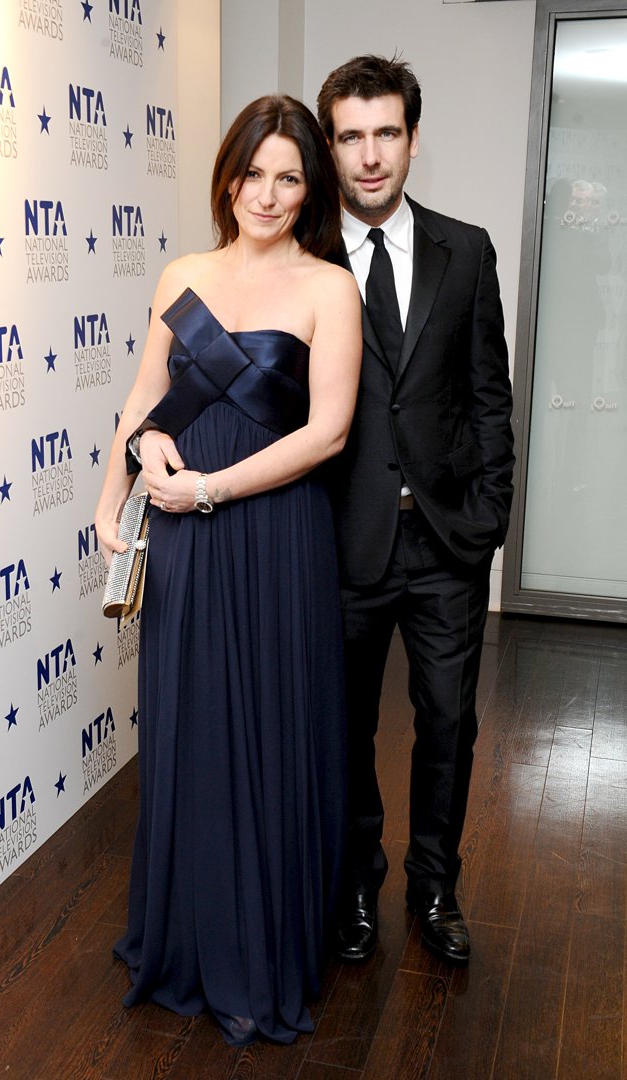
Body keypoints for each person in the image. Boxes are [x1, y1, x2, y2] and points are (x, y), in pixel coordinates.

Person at [94, 94, 361, 1046]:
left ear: (309, 188)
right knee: (190, 727)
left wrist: (208, 490)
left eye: (290, 177)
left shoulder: (329, 285)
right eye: (255, 173)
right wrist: (109, 498)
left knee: (270, 723)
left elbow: (327, 434)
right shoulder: (183, 272)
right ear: (229, 175)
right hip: (182, 530)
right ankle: (188, 940)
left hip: (274, 530)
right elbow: (143, 399)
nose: (270, 194)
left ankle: (260, 947)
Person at [316, 55, 515, 966]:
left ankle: (434, 890)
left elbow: (487, 398)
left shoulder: (464, 249)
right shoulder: (305, 259)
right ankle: (357, 884)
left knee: (447, 724)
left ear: (411, 139)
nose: (368, 157)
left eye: (384, 133)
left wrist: (488, 519)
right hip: (340, 545)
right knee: (345, 728)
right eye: (350, 136)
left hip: (444, 545)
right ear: (330, 145)